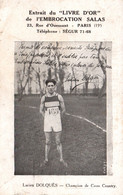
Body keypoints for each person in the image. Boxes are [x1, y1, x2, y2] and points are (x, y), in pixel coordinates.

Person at [40, 79, 68, 167]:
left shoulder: (59, 97)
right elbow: (41, 110)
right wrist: (47, 117)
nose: (51, 87)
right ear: (46, 87)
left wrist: (58, 117)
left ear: (55, 87)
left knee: (58, 141)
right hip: (48, 121)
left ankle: (61, 159)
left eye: (52, 85)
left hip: (57, 121)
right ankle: (46, 159)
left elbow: (63, 109)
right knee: (47, 141)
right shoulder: (44, 98)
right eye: (49, 86)